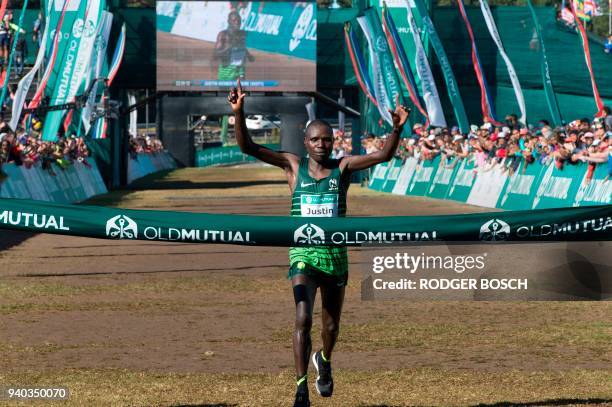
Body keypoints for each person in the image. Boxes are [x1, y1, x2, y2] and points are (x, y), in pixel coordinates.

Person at [228, 79, 409, 407]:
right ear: (306, 142)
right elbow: (249, 148)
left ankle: (324, 360)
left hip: (335, 256)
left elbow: (383, 154)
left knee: (331, 326)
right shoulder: (292, 166)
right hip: (303, 255)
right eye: (315, 139)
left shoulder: (344, 167)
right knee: (302, 318)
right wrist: (239, 113)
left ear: (334, 141)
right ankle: (300, 389)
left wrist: (396, 129)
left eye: (327, 139)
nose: (322, 144)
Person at [214, 10, 254, 81]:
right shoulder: (223, 35)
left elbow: (242, 47)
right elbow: (216, 55)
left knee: (241, 91)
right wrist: (230, 46)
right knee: (224, 91)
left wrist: (249, 55)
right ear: (229, 21)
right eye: (234, 20)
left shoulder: (242, 34)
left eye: (239, 20)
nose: (237, 22)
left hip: (239, 71)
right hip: (226, 72)